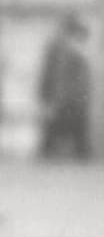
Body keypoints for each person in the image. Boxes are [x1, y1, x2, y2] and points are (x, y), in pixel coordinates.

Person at [41, 18, 94, 163]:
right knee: (65, 123)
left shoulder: (67, 47)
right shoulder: (70, 49)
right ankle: (78, 153)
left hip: (71, 95)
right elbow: (62, 75)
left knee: (63, 124)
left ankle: (54, 151)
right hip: (70, 95)